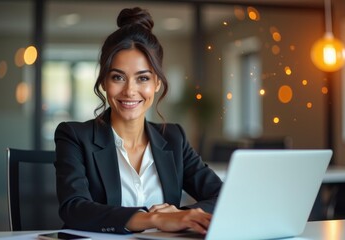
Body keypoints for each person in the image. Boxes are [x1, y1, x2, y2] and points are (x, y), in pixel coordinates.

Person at [54, 7, 222, 235]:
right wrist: (153, 219)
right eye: (118, 77)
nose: (130, 90)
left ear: (157, 84)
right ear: (104, 81)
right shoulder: (74, 135)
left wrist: (181, 216)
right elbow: (74, 209)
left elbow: (222, 196)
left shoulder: (173, 138)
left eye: (142, 78)